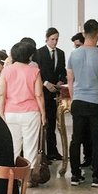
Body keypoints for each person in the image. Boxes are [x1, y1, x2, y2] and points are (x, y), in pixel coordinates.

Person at [66, 19, 98, 187]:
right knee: (97, 139)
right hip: (96, 101)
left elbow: (70, 80)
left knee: (76, 139)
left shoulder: (73, 54)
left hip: (78, 100)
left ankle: (75, 175)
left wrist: (73, 98)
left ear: (84, 33)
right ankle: (97, 176)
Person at [0, 38, 43, 167]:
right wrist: (43, 113)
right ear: (29, 56)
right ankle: (27, 178)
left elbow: (1, 93)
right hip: (31, 112)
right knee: (30, 146)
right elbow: (39, 95)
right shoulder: (34, 71)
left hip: (10, 111)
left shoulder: (6, 71)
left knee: (13, 145)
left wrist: (1, 111)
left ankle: (13, 176)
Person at [37, 28, 67, 162]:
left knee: (54, 122)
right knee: (45, 123)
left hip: (55, 90)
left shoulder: (61, 53)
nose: (54, 42)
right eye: (52, 39)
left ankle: (53, 151)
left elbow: (62, 70)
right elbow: (37, 73)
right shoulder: (39, 53)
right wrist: (45, 83)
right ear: (47, 39)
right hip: (43, 90)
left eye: (56, 39)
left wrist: (61, 80)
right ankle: (43, 154)